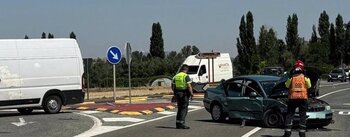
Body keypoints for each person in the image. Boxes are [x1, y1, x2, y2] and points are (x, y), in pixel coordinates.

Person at [283, 60, 311, 137]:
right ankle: (302, 134)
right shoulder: (305, 77)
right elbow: (309, 86)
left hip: (292, 98)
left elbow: (287, 85)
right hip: (303, 99)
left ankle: (287, 134)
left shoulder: (291, 77)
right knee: (302, 116)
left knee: (290, 115)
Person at [172, 64, 194, 129]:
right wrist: (192, 94)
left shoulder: (175, 76)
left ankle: (177, 123)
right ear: (186, 70)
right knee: (184, 109)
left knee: (179, 108)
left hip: (177, 93)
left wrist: (175, 93)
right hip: (184, 94)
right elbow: (189, 86)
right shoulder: (185, 76)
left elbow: (173, 86)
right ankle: (182, 123)